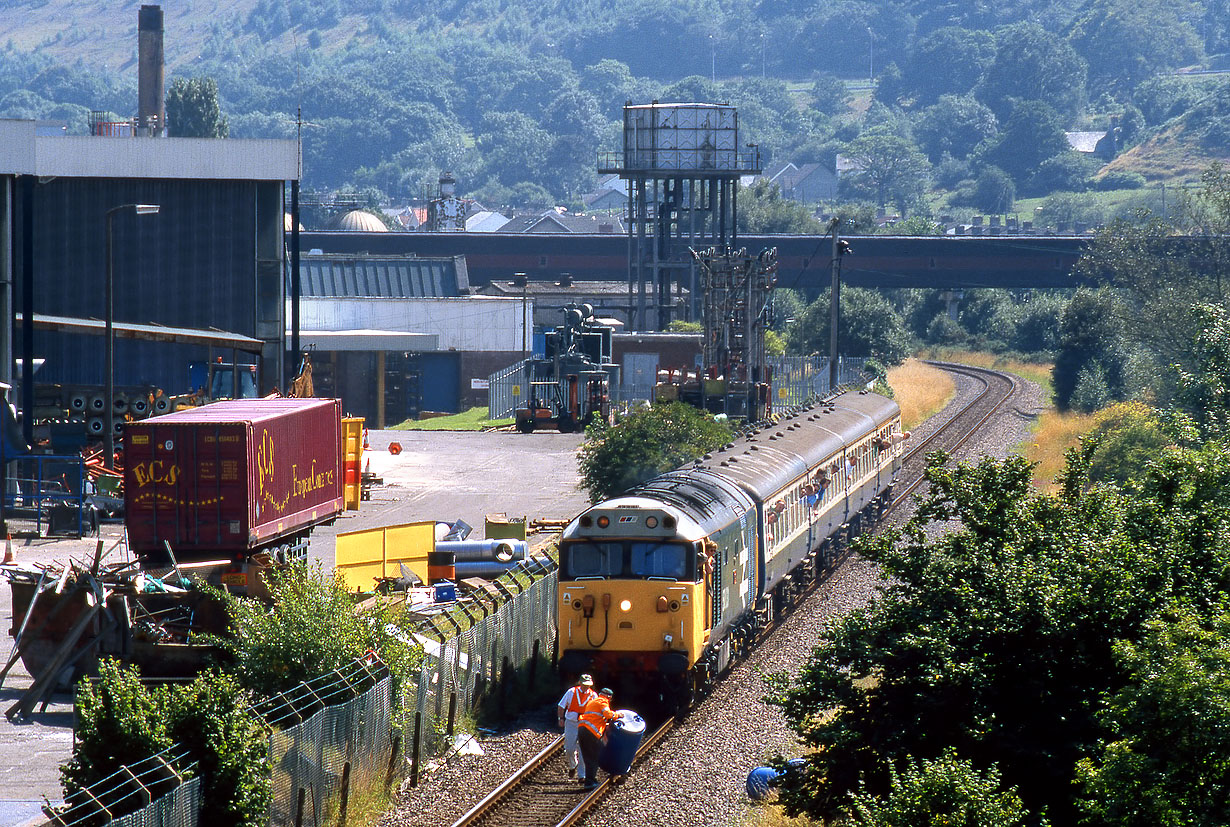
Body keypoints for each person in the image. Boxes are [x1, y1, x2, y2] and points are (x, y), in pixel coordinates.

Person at [577, 687, 620, 789]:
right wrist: (618, 715)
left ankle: (589, 780)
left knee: (588, 757)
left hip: (582, 730)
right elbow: (608, 714)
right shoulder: (603, 702)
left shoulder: (592, 702)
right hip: (591, 732)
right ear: (608, 697)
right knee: (595, 756)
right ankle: (590, 782)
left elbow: (597, 717)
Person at [556, 674, 595, 780]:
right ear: (580, 683)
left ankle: (582, 775)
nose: (586, 687)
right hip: (571, 723)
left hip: (585, 724)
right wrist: (561, 719)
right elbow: (561, 706)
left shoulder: (593, 695)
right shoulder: (571, 692)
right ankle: (573, 764)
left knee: (583, 750)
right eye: (584, 684)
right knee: (569, 748)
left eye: (588, 685)